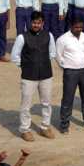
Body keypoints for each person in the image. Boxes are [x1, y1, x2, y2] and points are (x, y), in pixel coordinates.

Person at [10, 11, 56, 142]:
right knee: (26, 104)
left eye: (39, 23)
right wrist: (25, 65)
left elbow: (52, 53)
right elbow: (15, 56)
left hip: (46, 75)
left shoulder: (49, 35)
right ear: (30, 22)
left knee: (46, 103)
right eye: (34, 22)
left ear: (43, 23)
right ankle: (25, 129)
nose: (36, 25)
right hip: (28, 76)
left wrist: (44, 63)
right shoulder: (22, 37)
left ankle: (45, 127)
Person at [56, 18, 84, 134]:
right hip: (70, 72)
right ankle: (64, 124)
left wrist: (82, 62)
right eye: (76, 27)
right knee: (68, 98)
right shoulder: (62, 39)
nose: (79, 29)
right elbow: (58, 56)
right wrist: (66, 66)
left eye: (80, 27)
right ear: (71, 27)